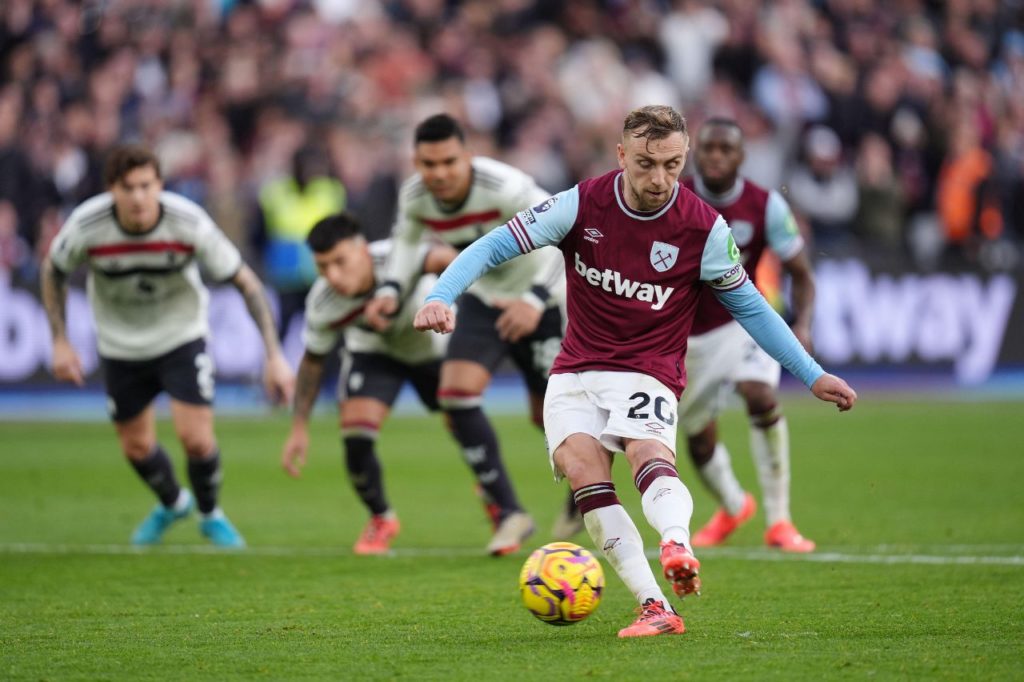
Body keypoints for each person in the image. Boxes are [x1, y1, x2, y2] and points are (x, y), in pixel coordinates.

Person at [414, 105, 856, 638]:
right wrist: (442, 295)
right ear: (622, 154)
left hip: (648, 370)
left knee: (648, 453)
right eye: (646, 163)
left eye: (672, 164)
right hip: (575, 369)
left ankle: (677, 543)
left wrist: (811, 375)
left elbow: (754, 309)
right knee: (585, 478)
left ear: (684, 156)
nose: (660, 179)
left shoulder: (704, 229)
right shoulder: (579, 204)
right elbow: (492, 246)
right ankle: (655, 607)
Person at [41, 144, 295, 548]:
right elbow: (53, 269)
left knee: (195, 439)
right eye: (129, 188)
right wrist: (59, 340)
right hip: (119, 345)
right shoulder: (87, 225)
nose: (139, 197)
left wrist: (275, 356)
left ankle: (211, 515)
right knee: (136, 445)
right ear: (112, 190)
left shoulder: (188, 222)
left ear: (159, 184)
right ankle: (175, 502)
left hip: (181, 337)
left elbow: (246, 283)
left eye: (146, 185)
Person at [363, 114, 565, 555]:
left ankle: (580, 493)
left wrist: (533, 299)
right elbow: (405, 243)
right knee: (455, 395)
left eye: (448, 162)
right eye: (427, 163)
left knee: (549, 416)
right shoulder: (416, 195)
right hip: (484, 294)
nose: (438, 173)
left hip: (544, 296)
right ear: (415, 161)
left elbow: (563, 241)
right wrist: (391, 291)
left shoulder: (506, 187)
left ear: (468, 156)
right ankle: (510, 512)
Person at [278, 212, 457, 555]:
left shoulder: (397, 257)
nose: (332, 276)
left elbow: (448, 257)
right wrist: (299, 426)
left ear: (362, 249)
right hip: (374, 352)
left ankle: (499, 505)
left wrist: (453, 296)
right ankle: (381, 517)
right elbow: (313, 361)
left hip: (430, 345)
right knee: (356, 435)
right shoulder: (322, 301)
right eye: (322, 267)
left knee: (462, 422)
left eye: (340, 262)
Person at [680, 117, 818, 552]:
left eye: (726, 149)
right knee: (698, 438)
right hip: (685, 336)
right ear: (696, 153)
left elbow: (802, 273)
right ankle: (734, 505)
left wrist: (803, 324)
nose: (716, 156)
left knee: (760, 395)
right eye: (709, 148)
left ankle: (780, 521)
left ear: (741, 156)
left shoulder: (764, 206)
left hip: (743, 324)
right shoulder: (674, 196)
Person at [256, 146, 347, 339]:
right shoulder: (274, 193)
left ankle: (331, 370)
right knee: (280, 329)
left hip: (320, 276)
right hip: (285, 278)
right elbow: (259, 233)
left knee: (325, 329)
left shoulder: (331, 191)